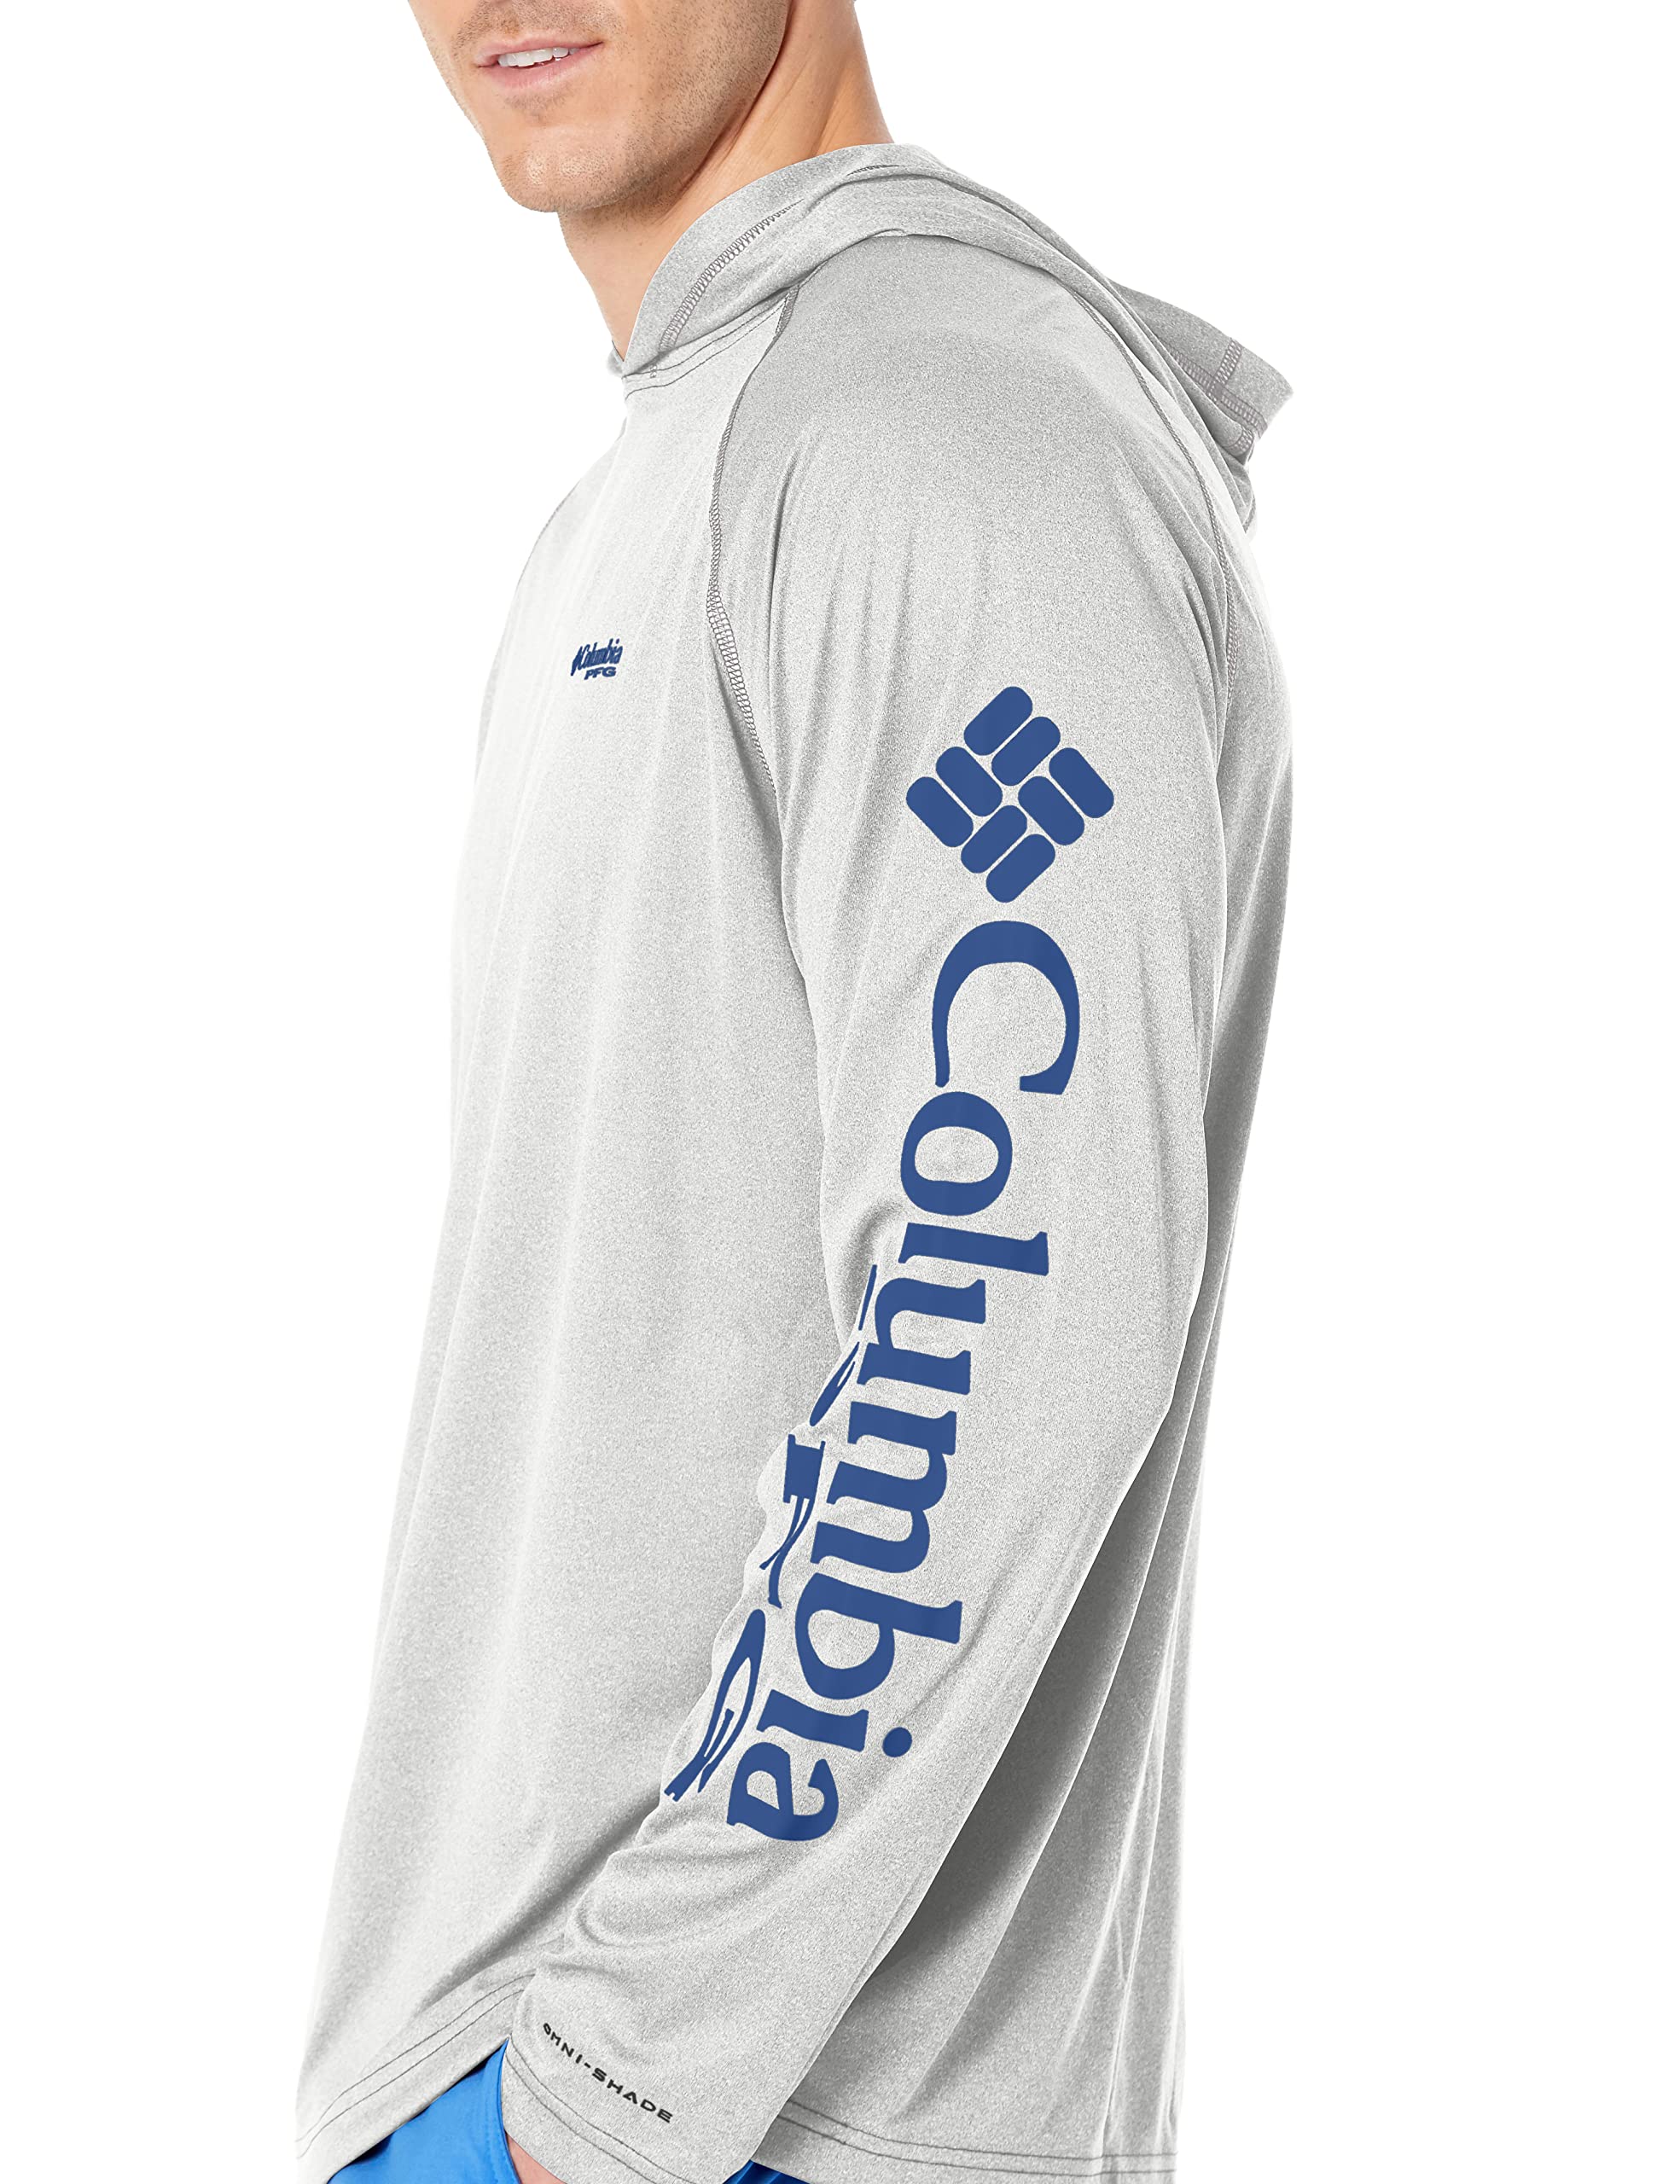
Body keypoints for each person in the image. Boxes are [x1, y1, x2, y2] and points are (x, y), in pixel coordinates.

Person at [295, 4, 1293, 2181]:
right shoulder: (682, 462)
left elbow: (1010, 1309)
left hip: (726, 2111)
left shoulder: (938, 430)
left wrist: (613, 2080)